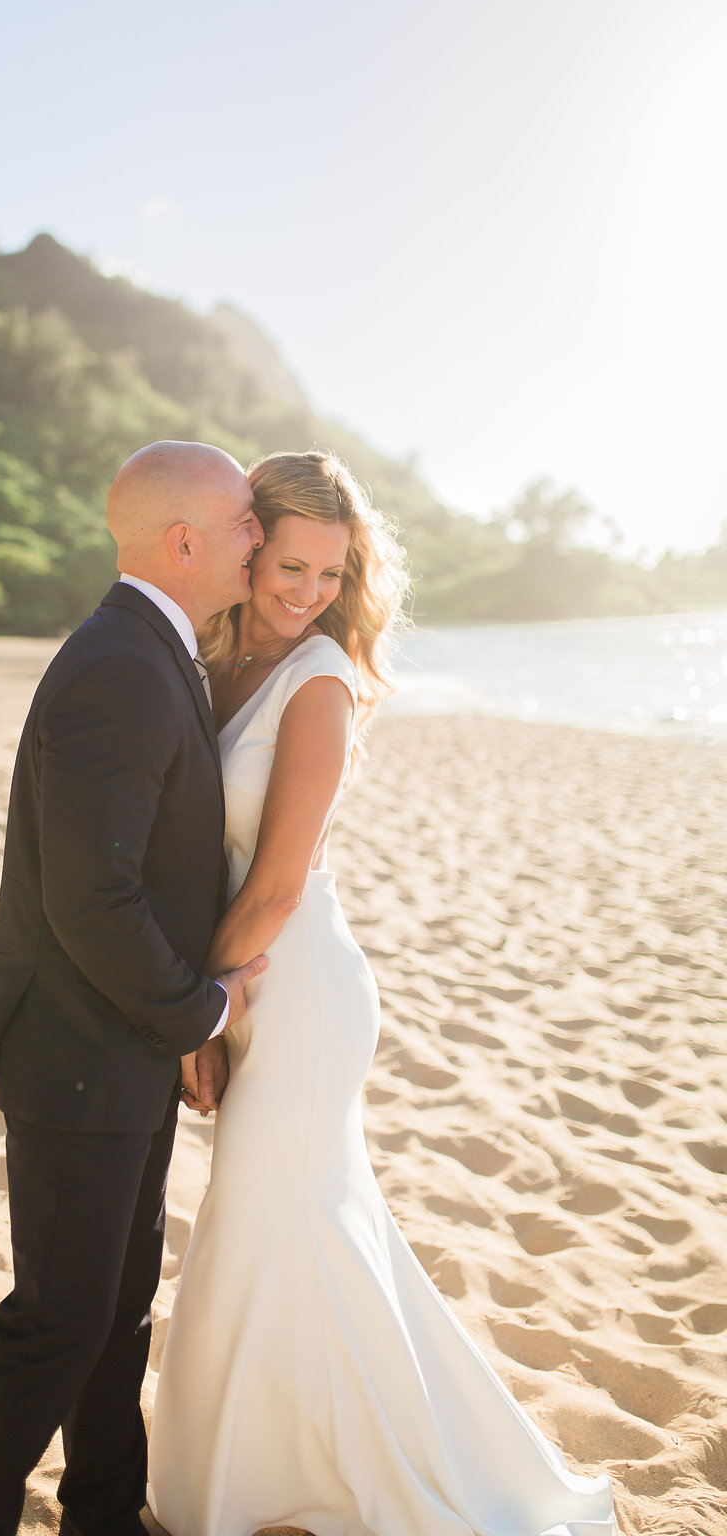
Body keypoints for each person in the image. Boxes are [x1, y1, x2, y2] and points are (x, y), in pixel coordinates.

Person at [147, 450, 620, 1536]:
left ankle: (316, 1484)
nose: (307, 591)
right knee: (285, 1229)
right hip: (249, 978)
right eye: (290, 564)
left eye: (330, 573)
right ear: (249, 542)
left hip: (290, 985)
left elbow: (272, 885)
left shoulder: (319, 679)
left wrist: (199, 1011)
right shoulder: (217, 657)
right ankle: (269, 1475)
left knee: (281, 1225)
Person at [0, 441, 268, 1536]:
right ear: (183, 542)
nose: (257, 538)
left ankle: (105, 1517)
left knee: (113, 1313)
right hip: (78, 1059)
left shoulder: (153, 651)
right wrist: (203, 1013)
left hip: (118, 1050)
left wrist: (172, 1028)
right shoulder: (120, 664)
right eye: (243, 526)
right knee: (57, 1323)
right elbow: (92, 901)